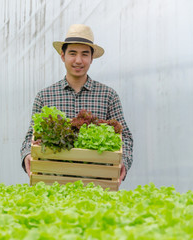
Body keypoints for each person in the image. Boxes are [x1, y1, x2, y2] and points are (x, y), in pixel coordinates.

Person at [20, 24, 133, 184]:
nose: (78, 60)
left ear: (92, 58)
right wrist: (27, 155)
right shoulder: (45, 96)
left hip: (97, 182)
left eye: (85, 54)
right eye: (72, 53)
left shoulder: (108, 95)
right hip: (53, 181)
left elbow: (125, 137)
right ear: (62, 56)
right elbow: (30, 137)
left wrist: (124, 161)